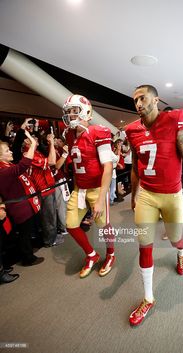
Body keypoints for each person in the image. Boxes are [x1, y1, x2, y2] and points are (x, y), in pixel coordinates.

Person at [125, 84, 183, 326]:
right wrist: (133, 195)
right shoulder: (132, 130)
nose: (138, 103)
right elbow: (134, 167)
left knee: (175, 239)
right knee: (144, 244)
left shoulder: (176, 120)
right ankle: (148, 297)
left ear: (156, 99)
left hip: (172, 195)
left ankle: (181, 254)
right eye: (135, 100)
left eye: (142, 98)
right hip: (147, 196)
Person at [62, 94, 115, 278]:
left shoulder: (98, 132)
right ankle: (92, 254)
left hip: (97, 188)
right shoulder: (69, 134)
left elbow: (108, 165)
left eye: (74, 111)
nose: (70, 115)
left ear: (86, 111)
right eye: (68, 112)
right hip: (80, 188)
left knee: (104, 225)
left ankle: (111, 254)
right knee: (71, 224)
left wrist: (101, 198)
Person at [0, 131, 44, 266]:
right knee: (24, 234)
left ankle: (28, 251)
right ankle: (27, 258)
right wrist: (33, 143)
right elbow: (23, 165)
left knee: (27, 231)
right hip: (19, 208)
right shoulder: (2, 171)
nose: (11, 152)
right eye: (7, 151)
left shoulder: (6, 166)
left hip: (24, 205)